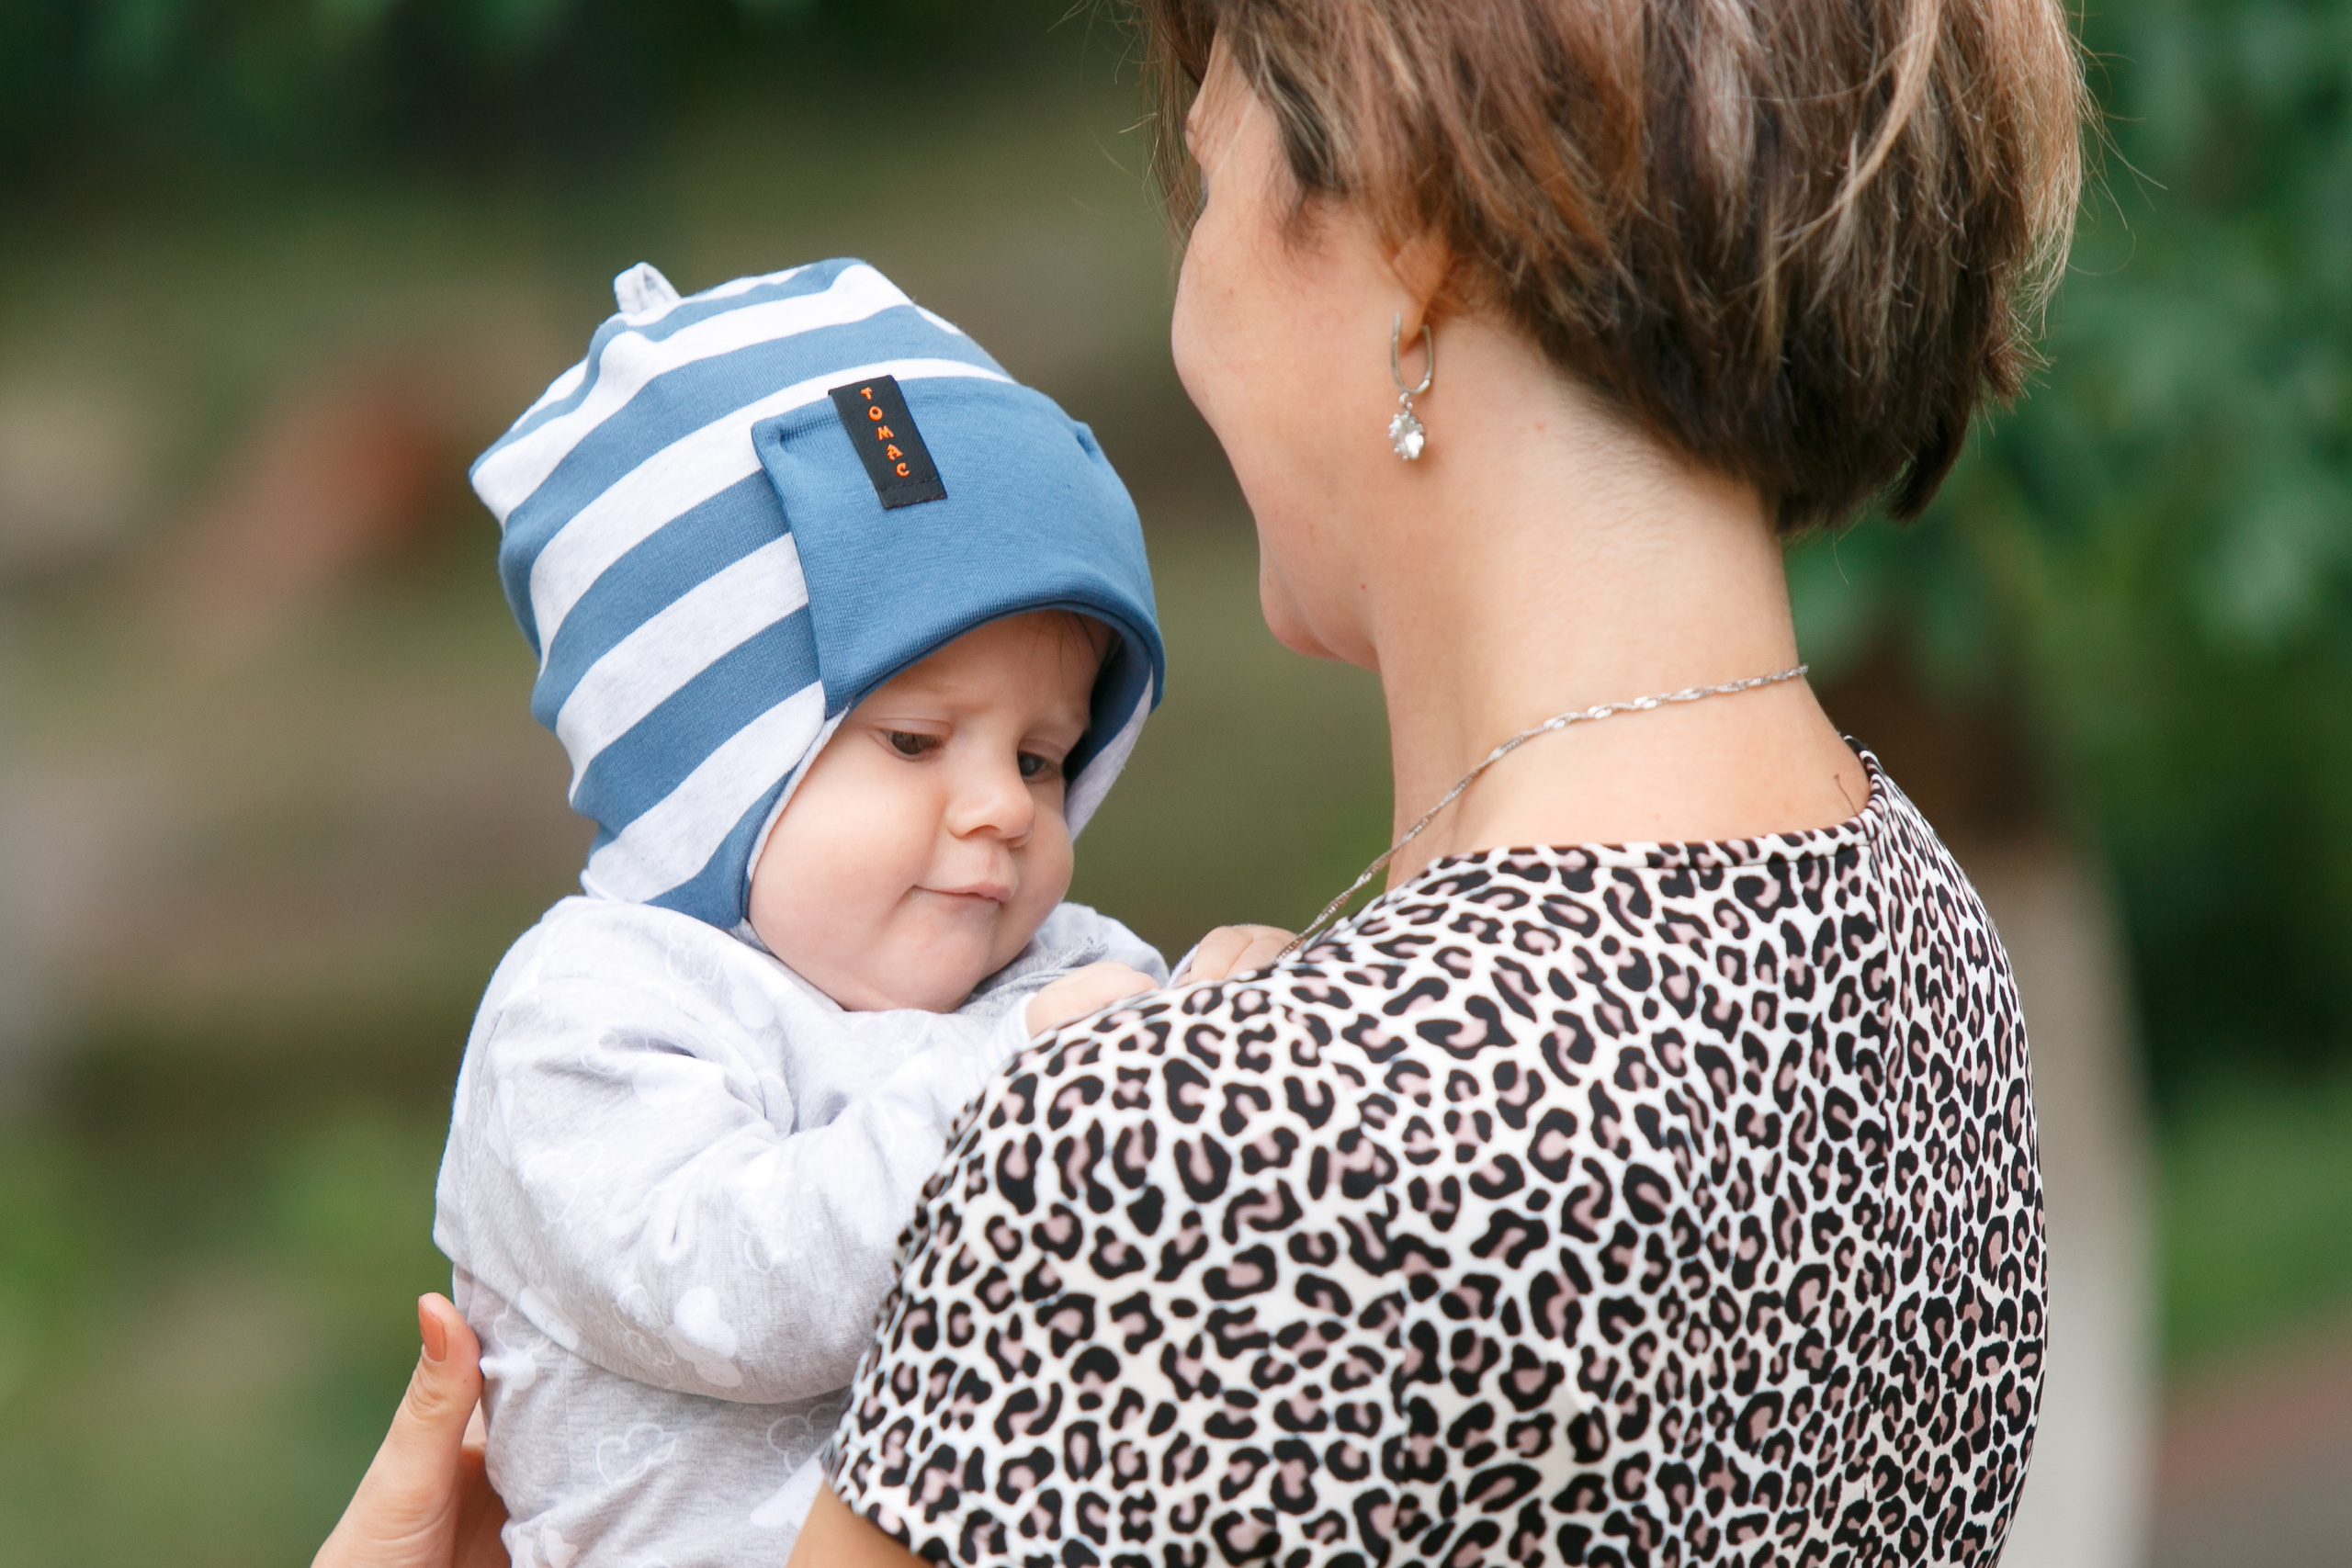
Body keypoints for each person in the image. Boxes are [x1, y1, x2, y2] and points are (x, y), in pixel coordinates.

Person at [323, 0, 2086, 1561]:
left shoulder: (1171, 1157)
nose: (1188, 297)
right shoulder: (1923, 946)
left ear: (1414, 240)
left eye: (1208, 170)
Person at [430, 258, 1271, 1568]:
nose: (1001, 807)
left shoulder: (1057, 970)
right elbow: (738, 1295)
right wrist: (1032, 1080)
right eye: (919, 738)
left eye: (1043, 758)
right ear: (708, 772)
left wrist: (1260, 1035)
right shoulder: (586, 1015)